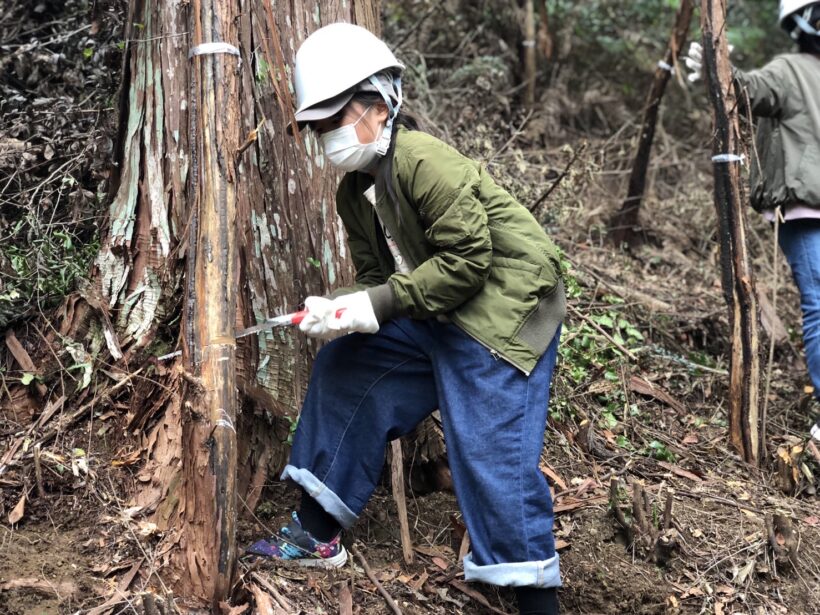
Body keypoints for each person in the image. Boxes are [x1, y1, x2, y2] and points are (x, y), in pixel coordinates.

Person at [246, 22, 566, 615]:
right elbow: (378, 281)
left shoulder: (423, 159)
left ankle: (536, 603)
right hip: (439, 312)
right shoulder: (353, 193)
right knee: (350, 367)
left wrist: (374, 303)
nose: (326, 137)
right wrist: (340, 307)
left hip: (504, 308)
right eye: (317, 126)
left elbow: (469, 262)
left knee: (488, 451)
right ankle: (317, 534)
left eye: (333, 119)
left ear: (378, 104)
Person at [686, 1, 820, 444]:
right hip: (807, 211)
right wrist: (715, 63)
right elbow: (744, 91)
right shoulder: (790, 69)